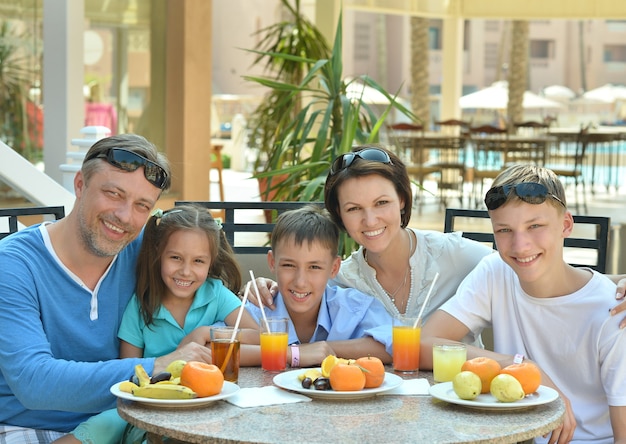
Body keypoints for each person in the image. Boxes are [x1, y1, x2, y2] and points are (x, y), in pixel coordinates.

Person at [250, 146, 626, 334]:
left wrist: (614, 285)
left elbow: (530, 262)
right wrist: (265, 288)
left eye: (382, 203)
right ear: (340, 217)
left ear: (402, 201)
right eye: (353, 209)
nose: (370, 220)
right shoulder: (340, 279)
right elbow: (299, 287)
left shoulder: (454, 254)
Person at [0, 134, 212, 442]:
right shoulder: (14, 265)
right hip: (28, 427)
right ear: (80, 185)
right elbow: (34, 382)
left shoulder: (147, 251)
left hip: (126, 422)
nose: (125, 216)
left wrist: (262, 291)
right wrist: (156, 366)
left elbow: (215, 297)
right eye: (113, 194)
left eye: (142, 205)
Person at [421, 164, 626, 444]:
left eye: (535, 226)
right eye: (504, 230)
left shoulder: (614, 311)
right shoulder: (496, 272)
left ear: (566, 225)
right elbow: (424, 343)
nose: (520, 245)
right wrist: (523, 366)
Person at [56, 205, 260, 444]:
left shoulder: (216, 294)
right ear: (158, 254)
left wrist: (205, 333)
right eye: (175, 258)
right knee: (96, 428)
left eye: (198, 261)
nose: (186, 271)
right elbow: (128, 371)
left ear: (210, 262)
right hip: (147, 406)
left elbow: (259, 337)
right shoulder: (141, 306)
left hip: (208, 405)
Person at [244, 205, 394, 367]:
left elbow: (395, 344)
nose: (300, 281)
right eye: (289, 265)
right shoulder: (256, 310)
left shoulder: (353, 307)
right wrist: (293, 354)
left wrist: (323, 349)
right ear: (272, 263)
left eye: (314, 267)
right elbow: (218, 347)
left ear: (334, 268)